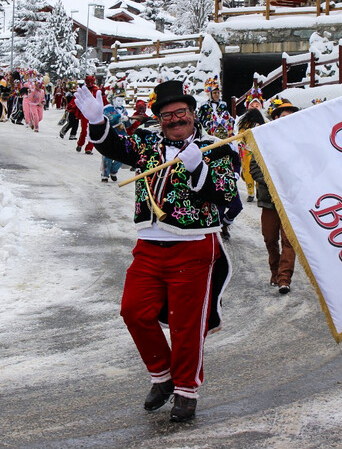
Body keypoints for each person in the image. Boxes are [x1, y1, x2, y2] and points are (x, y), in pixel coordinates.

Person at [74, 79, 238, 422]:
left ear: (193, 114)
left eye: (181, 112)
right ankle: (163, 376)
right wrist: (98, 123)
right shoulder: (148, 142)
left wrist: (199, 168)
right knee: (133, 311)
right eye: (167, 115)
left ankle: (186, 391)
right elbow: (116, 148)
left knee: (186, 326)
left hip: (193, 247)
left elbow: (225, 196)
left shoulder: (217, 148)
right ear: (159, 119)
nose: (175, 120)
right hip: (149, 245)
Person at [249, 98, 299, 295]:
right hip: (269, 200)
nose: (287, 119)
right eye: (284, 116)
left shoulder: (299, 142)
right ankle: (274, 270)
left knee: (289, 240)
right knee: (270, 238)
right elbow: (254, 167)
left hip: (290, 201)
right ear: (276, 118)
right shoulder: (263, 140)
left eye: (291, 116)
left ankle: (284, 278)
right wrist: (273, 181)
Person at [238, 88, 265, 202]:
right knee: (248, 171)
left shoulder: (265, 121)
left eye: (257, 106)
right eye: (252, 106)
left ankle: (260, 189)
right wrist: (241, 143)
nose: (255, 108)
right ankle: (250, 192)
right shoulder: (243, 122)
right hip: (247, 149)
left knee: (261, 170)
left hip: (260, 150)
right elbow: (240, 135)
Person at [76, 75, 107, 154]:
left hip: (95, 113)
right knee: (84, 130)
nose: (90, 83)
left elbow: (102, 100)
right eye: (88, 82)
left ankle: (89, 148)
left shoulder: (97, 90)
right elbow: (77, 99)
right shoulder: (83, 90)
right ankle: (80, 143)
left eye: (91, 82)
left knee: (93, 131)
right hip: (85, 113)